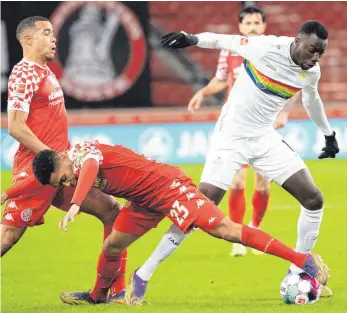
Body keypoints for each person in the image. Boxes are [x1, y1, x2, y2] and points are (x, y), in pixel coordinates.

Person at [125, 19, 339, 303]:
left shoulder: (311, 71)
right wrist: (191, 36)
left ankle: (300, 271)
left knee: (314, 199)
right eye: (312, 50)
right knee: (200, 207)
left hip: (264, 139)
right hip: (231, 137)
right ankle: (143, 274)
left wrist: (328, 134)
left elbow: (312, 101)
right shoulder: (265, 48)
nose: (315, 58)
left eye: (320, 53)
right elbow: (223, 40)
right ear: (297, 41)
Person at [32, 141, 329, 306]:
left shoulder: (82, 152)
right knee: (113, 245)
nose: (69, 182)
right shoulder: (72, 165)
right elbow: (82, 176)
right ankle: (98, 296)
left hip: (168, 186)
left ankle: (303, 260)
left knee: (225, 230)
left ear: (61, 158)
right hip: (142, 201)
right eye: (64, 183)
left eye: (64, 177)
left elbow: (91, 167)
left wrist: (74, 203)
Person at [0, 16, 127, 304]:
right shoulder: (24, 74)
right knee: (7, 237)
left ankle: (114, 293)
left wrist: (63, 160)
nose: (54, 39)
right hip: (39, 171)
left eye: (53, 34)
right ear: (27, 39)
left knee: (112, 211)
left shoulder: (45, 71)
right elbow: (16, 127)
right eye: (46, 33)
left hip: (62, 170)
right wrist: (53, 157)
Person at [187, 6, 294, 257]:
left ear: (264, 27)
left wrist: (284, 112)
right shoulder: (230, 50)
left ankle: (255, 227)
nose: (253, 27)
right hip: (235, 126)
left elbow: (291, 84)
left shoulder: (274, 50)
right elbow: (222, 79)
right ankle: (238, 236)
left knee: (263, 182)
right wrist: (203, 92)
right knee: (235, 180)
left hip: (262, 124)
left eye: (258, 23)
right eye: (249, 24)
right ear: (241, 27)